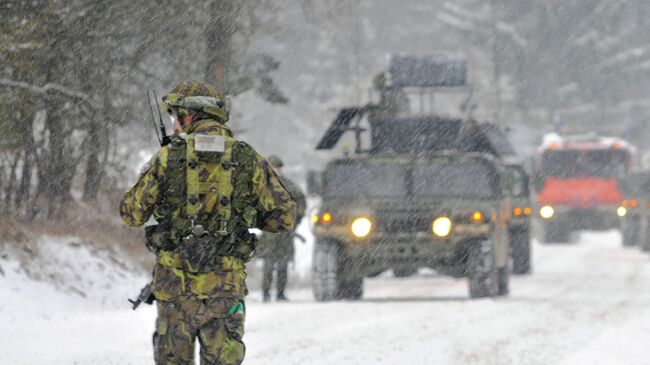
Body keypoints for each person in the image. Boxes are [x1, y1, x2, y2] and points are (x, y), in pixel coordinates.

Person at [119, 81, 296, 365]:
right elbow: (284, 216)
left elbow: (131, 213)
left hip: (175, 289)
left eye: (177, 116)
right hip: (225, 289)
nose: (175, 123)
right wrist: (244, 216)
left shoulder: (167, 158)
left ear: (190, 116)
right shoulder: (245, 158)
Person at [257, 155, 306, 302]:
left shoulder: (290, 187)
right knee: (269, 264)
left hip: (285, 231)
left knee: (283, 263)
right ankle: (265, 293)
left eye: (276, 168)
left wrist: (295, 222)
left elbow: (301, 205)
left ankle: (280, 293)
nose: (274, 170)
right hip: (269, 232)